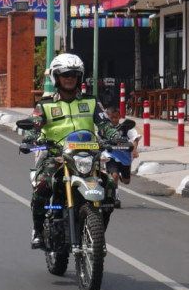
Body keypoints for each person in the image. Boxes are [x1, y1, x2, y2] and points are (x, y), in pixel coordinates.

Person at [26, 53, 119, 249]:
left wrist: (115, 136)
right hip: (57, 157)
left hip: (87, 157)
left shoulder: (92, 102)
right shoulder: (45, 105)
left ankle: (96, 233)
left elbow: (104, 124)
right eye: (65, 74)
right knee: (44, 185)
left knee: (109, 186)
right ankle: (38, 229)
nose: (70, 78)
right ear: (56, 77)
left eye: (74, 74)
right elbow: (34, 128)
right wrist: (30, 139)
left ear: (80, 77)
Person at [102, 105, 141, 209]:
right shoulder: (105, 129)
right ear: (107, 118)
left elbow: (136, 137)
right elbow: (98, 139)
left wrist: (135, 149)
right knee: (114, 176)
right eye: (111, 118)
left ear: (119, 117)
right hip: (111, 156)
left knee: (126, 181)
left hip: (125, 159)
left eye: (116, 117)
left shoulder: (125, 128)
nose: (114, 120)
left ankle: (120, 176)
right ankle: (116, 198)